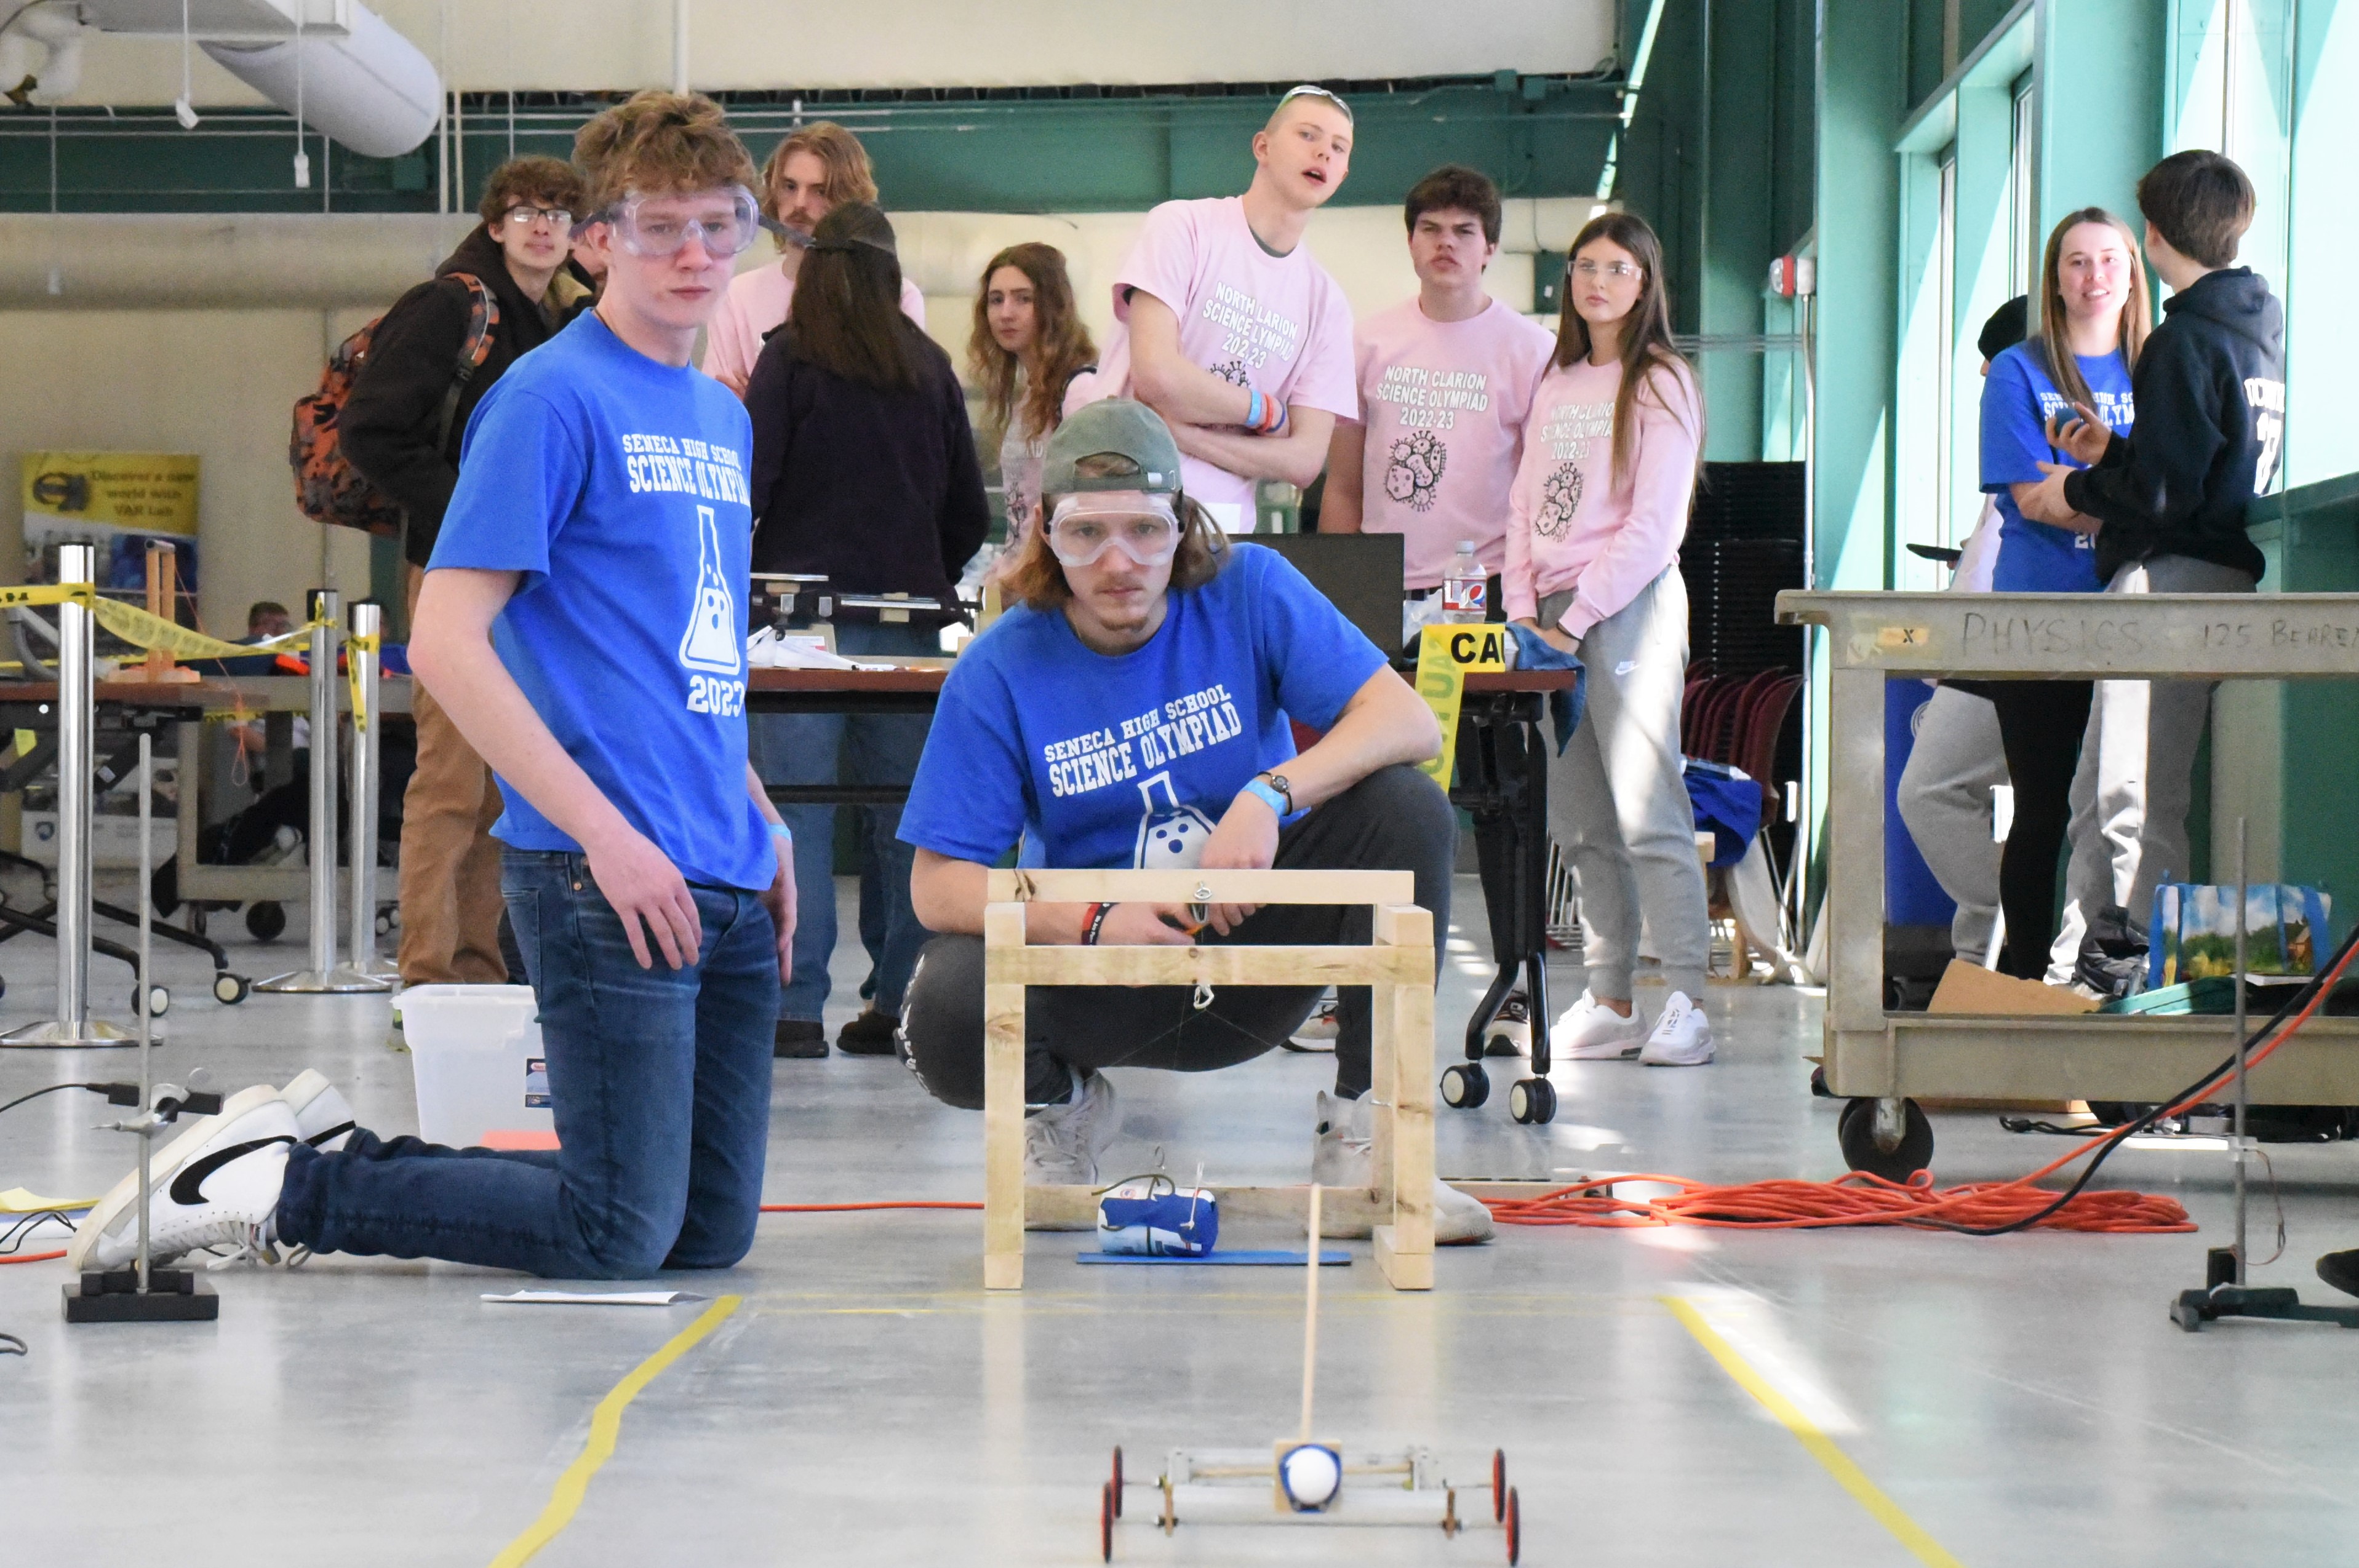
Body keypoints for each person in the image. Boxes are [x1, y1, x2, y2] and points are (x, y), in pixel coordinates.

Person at [69, 90, 797, 1281]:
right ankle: (278, 1182)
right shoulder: (549, 398)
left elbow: (687, 651)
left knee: (703, 1232)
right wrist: (601, 833)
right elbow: (451, 638)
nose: (695, 254)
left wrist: (756, 813)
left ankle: (316, 1148)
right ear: (598, 236)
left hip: (715, 852)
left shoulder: (720, 414)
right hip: (599, 863)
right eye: (660, 226)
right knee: (616, 1231)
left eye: (721, 224)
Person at [893, 399, 1493, 1244]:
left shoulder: (1248, 589)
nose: (1117, 563)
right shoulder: (1000, 667)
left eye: (1144, 530)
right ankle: (1060, 1109)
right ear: (1041, 535)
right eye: (1084, 534)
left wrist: (1268, 794)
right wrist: (1096, 919)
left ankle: (1370, 1131)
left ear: (1182, 528)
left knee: (1406, 809)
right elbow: (936, 884)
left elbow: (1407, 721)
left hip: (1256, 944)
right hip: (1104, 972)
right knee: (942, 1004)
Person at [2018, 151, 2283, 985]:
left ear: (2151, 236)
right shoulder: (2255, 331)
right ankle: (2077, 976)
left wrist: (2080, 484)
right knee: (2102, 793)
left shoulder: (2179, 340)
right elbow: (2198, 466)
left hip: (2169, 584)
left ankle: (2136, 986)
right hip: (2215, 581)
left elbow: (2163, 497)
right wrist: (2121, 453)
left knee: (2130, 796)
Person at [744, 202, 990, 1058]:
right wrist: (917, 570)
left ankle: (793, 1007)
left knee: (796, 816)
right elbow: (965, 513)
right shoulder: (927, 366)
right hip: (912, 626)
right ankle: (903, 1002)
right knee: (907, 825)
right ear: (892, 276)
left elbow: (751, 487)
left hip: (794, 625)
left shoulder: (785, 361)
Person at [342, 154, 588, 989]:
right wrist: (472, 512)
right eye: (526, 210)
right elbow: (371, 431)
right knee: (450, 780)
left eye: (560, 212)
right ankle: (427, 978)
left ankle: (477, 976)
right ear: (494, 224)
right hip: (452, 571)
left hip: (523, 578)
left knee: (499, 785)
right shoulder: (453, 305)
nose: (544, 225)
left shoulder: (551, 318)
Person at [1507, 212, 1714, 1067]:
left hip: (1623, 606)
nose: (1597, 281)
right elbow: (1522, 504)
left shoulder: (1661, 380)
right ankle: (1611, 995)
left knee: (1645, 807)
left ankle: (1688, 1003)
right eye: (1584, 265)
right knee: (1581, 817)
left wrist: (1575, 618)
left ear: (1644, 282)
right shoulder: (1555, 384)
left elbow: (1654, 527)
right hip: (1548, 615)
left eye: (1617, 267)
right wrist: (1523, 610)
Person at [1963, 215, 2146, 979]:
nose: (2094, 276)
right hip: (2038, 614)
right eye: (2077, 262)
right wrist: (2138, 499)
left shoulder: (2156, 365)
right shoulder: (2018, 368)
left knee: (2118, 809)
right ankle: (2024, 984)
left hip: (2136, 606)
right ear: (2056, 278)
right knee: (2041, 809)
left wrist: (2087, 490)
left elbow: (2065, 489)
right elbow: (2032, 498)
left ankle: (2112, 980)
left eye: (2109, 260)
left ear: (2134, 272)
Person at [1079, 86, 1357, 534]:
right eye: (1308, 135)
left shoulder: (1328, 305)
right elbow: (1157, 376)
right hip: (1122, 501)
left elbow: (1305, 459)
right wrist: (1266, 412)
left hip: (1221, 527)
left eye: (1338, 148)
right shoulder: (1182, 226)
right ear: (1262, 147)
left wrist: (1187, 435)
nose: (1324, 152)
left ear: (1343, 174)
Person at [1321, 164, 1554, 647]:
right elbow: (1343, 485)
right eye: (1430, 229)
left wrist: (1530, 598)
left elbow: (1541, 495)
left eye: (1464, 231)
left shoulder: (1531, 350)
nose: (1445, 243)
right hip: (1381, 582)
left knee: (1472, 722)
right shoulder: (1367, 342)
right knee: (1389, 720)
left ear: (1490, 248)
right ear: (1411, 243)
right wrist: (1335, 590)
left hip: (1483, 581)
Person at [1894, 298, 2026, 971]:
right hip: (1986, 644)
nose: (1981, 372)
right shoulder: (2013, 438)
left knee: (1930, 791)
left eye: (1994, 357)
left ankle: (2009, 916)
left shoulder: (2042, 434)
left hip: (2009, 647)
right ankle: (1978, 969)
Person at [701, 121, 925, 398]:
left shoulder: (898, 296)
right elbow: (719, 406)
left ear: (849, 201)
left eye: (820, 191)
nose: (799, 204)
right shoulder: (736, 297)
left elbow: (895, 408)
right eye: (789, 187)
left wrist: (764, 401)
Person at [967, 242, 1097, 560]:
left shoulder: (1081, 389)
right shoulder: (1027, 394)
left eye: (1023, 299)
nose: (1006, 313)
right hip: (1023, 570)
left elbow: (1090, 504)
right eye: (996, 300)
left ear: (1053, 305)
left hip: (1059, 571)